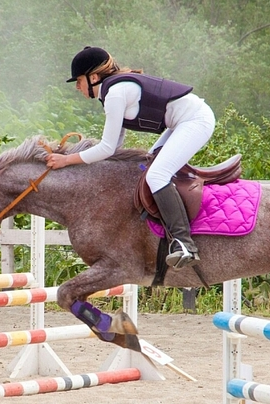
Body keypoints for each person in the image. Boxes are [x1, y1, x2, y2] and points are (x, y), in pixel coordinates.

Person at [46, 46, 216, 270]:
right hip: (182, 123)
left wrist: (67, 160)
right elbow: (115, 146)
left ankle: (184, 244)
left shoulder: (114, 93)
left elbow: (107, 148)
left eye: (79, 80)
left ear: (94, 77)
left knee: (157, 176)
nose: (77, 87)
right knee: (146, 168)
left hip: (195, 121)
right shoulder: (113, 91)